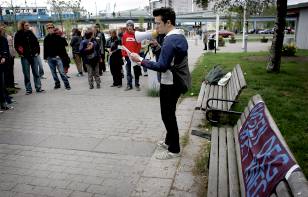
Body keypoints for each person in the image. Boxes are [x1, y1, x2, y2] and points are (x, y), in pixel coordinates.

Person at [130, 7, 191, 160]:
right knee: (169, 113)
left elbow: (163, 66)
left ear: (168, 22)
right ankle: (168, 141)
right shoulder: (177, 36)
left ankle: (174, 149)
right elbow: (170, 57)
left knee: (168, 115)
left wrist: (141, 60)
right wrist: (158, 47)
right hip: (175, 81)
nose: (155, 27)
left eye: (158, 23)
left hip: (170, 83)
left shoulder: (170, 39)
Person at [14, 21, 44, 95]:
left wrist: (37, 52)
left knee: (36, 73)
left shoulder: (30, 33)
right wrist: (20, 53)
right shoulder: (18, 34)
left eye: (28, 25)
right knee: (26, 74)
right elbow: (16, 45)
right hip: (25, 57)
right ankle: (28, 89)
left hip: (33, 56)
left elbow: (36, 42)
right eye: (26, 25)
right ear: (22, 26)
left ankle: (38, 87)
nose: (28, 26)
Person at [43, 23, 71, 90]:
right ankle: (57, 84)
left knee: (62, 72)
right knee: (53, 73)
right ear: (47, 29)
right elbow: (45, 49)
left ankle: (67, 85)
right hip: (50, 58)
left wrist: (60, 55)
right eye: (48, 28)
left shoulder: (58, 37)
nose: (50, 29)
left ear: (53, 28)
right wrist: (45, 57)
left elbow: (64, 46)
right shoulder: (46, 38)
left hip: (58, 58)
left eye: (51, 27)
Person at [122, 20, 142, 91]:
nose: (129, 27)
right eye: (128, 26)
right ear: (126, 27)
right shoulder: (124, 35)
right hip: (127, 57)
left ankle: (137, 85)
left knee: (136, 71)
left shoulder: (136, 35)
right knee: (128, 71)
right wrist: (123, 55)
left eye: (131, 25)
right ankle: (129, 85)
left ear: (133, 27)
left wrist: (136, 54)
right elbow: (123, 46)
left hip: (135, 56)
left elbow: (139, 45)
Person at [0, 24, 13, 111]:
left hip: (1, 64)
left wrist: (3, 57)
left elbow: (5, 50)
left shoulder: (2, 39)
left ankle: (4, 103)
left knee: (1, 84)